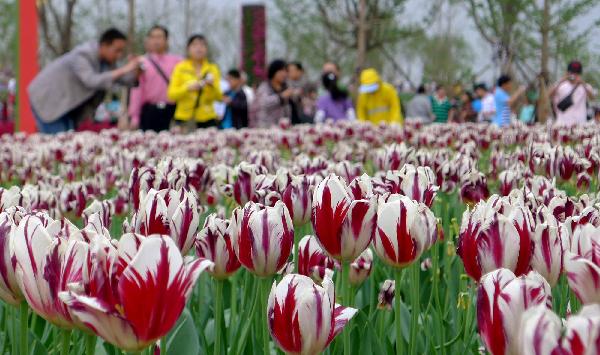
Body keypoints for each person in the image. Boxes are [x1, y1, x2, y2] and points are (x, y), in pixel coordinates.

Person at [28, 28, 140, 134]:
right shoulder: (83, 55)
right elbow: (91, 81)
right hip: (48, 101)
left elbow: (124, 80)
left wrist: (137, 70)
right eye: (117, 51)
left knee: (68, 141)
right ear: (104, 45)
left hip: (65, 106)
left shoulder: (107, 63)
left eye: (122, 52)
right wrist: (124, 69)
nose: (119, 56)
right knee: (59, 142)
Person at [129, 25, 181, 132]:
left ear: (166, 40)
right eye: (152, 37)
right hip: (149, 112)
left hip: (172, 112)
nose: (156, 41)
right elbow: (137, 90)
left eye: (159, 37)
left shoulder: (178, 62)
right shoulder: (141, 62)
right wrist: (134, 117)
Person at [168, 34, 222, 131]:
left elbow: (219, 96)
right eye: (195, 45)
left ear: (206, 49)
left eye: (202, 45)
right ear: (188, 49)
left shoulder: (212, 69)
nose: (199, 48)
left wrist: (211, 86)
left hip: (207, 117)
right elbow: (171, 94)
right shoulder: (180, 68)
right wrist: (187, 88)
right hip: (184, 118)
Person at [550, 61, 596, 126]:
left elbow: (592, 98)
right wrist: (561, 80)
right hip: (562, 122)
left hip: (580, 122)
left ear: (580, 74)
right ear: (567, 72)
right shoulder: (560, 85)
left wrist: (582, 83)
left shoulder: (585, 86)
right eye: (572, 73)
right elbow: (548, 95)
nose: (574, 75)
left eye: (577, 73)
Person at [251, 59, 293, 128]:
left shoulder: (285, 87)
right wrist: (281, 96)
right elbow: (264, 103)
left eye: (285, 71)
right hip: (266, 128)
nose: (284, 74)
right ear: (273, 72)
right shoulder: (264, 87)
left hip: (282, 127)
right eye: (281, 71)